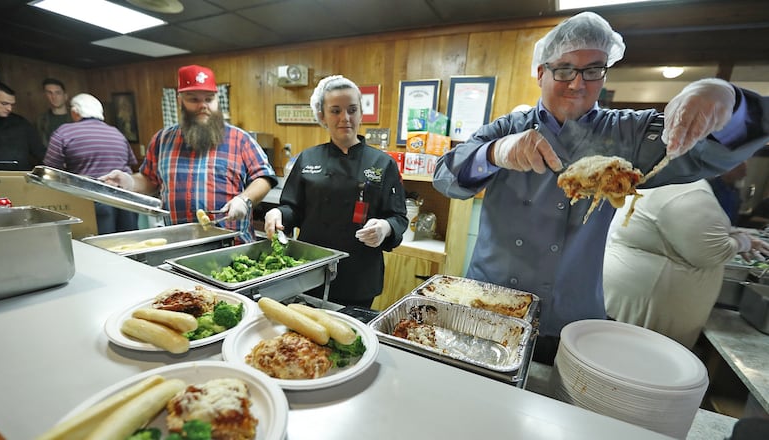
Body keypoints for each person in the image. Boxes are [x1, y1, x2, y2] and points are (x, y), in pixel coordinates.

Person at [432, 11, 769, 365]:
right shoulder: (508, 128)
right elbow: (446, 176)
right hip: (492, 304)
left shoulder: (629, 134)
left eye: (592, 70)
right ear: (541, 72)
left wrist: (727, 101)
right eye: (564, 69)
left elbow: (706, 155)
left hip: (570, 315)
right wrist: (495, 152)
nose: (577, 84)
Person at [263, 75, 408, 308]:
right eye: (335, 111)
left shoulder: (382, 163)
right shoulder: (308, 158)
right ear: (322, 116)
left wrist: (385, 228)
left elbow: (398, 217)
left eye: (352, 110)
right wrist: (278, 214)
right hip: (309, 270)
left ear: (362, 113)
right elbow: (293, 208)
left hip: (359, 275)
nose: (345, 118)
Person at [101, 65, 276, 243]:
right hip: (178, 244)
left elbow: (264, 177)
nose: (203, 106)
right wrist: (129, 181)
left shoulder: (240, 139)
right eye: (193, 99)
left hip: (232, 245)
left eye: (209, 99)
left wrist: (244, 200)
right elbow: (150, 179)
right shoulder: (162, 140)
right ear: (180, 100)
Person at [603, 180, 769, 349]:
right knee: (634, 360)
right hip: (649, 304)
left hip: (635, 297)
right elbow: (710, 253)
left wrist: (731, 234)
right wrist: (742, 242)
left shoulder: (673, 181)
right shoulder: (686, 192)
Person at [44, 93, 139, 234]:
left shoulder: (64, 132)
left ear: (74, 112)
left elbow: (50, 172)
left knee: (101, 247)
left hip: (93, 200)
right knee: (131, 243)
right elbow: (130, 163)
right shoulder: (116, 132)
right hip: (125, 199)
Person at [0, 80, 45, 170]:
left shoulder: (20, 123)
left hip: (19, 179)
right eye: (4, 103)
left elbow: (40, 151)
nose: (9, 109)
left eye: (12, 105)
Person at [36, 78, 72, 146]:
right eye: (49, 93)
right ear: (45, 96)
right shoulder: (41, 120)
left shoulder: (77, 117)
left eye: (58, 93)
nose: (54, 96)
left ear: (65, 96)